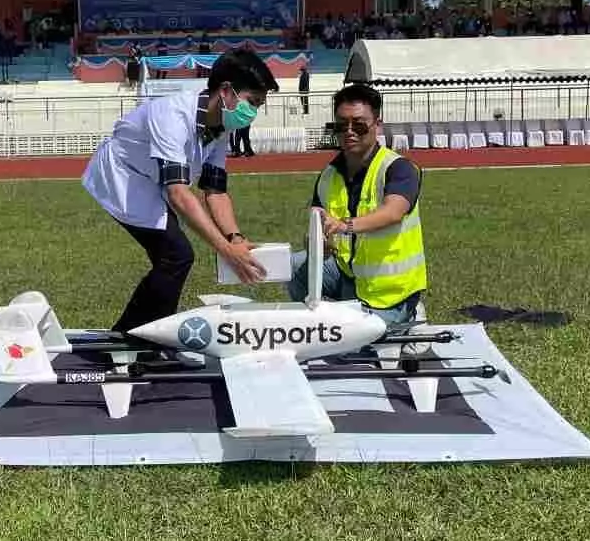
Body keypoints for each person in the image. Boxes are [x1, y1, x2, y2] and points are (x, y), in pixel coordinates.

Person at [83, 48, 278, 333]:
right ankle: (130, 337)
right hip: (123, 177)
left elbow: (215, 190)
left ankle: (147, 335)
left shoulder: (221, 126)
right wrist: (225, 250)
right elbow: (178, 193)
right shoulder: (171, 114)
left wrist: (235, 238)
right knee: (176, 255)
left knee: (172, 259)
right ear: (226, 91)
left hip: (150, 181)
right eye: (253, 102)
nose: (254, 112)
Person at [287, 83, 427, 334]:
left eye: (359, 124)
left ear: (378, 124)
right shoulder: (329, 175)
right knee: (296, 266)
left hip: (390, 292)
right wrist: (317, 240)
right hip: (349, 273)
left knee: (355, 347)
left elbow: (393, 212)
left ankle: (410, 314)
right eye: (341, 125)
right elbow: (316, 224)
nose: (349, 131)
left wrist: (344, 225)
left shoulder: (399, 168)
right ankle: (331, 315)